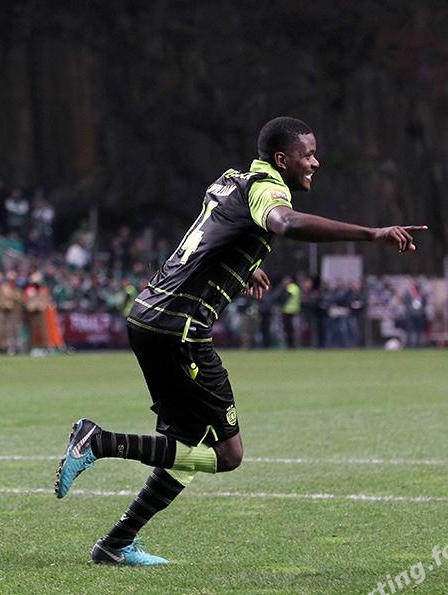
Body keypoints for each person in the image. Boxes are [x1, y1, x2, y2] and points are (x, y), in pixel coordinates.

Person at [53, 117, 424, 565]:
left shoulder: (231, 180)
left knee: (187, 447)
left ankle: (115, 543)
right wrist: (372, 234)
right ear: (282, 159)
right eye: (308, 155)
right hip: (180, 330)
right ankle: (98, 442)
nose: (315, 163)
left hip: (150, 317)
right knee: (227, 455)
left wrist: (246, 264)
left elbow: (210, 231)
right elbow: (285, 222)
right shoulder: (267, 189)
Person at [279, 275, 301, 348]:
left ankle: (291, 345)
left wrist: (280, 302)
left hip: (290, 311)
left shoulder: (292, 287)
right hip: (290, 310)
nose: (284, 282)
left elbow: (286, 296)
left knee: (290, 329)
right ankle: (290, 344)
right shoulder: (294, 287)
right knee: (289, 329)